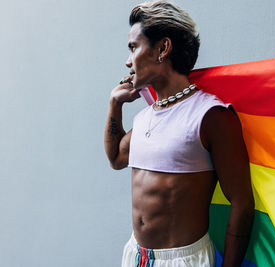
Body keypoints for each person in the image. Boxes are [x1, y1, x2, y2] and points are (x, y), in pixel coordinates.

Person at [104, 1, 254, 266]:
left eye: (133, 47)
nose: (127, 61)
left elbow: (241, 203)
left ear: (162, 48)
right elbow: (116, 158)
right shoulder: (144, 117)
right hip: (135, 255)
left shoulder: (210, 115)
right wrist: (114, 104)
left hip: (183, 260)